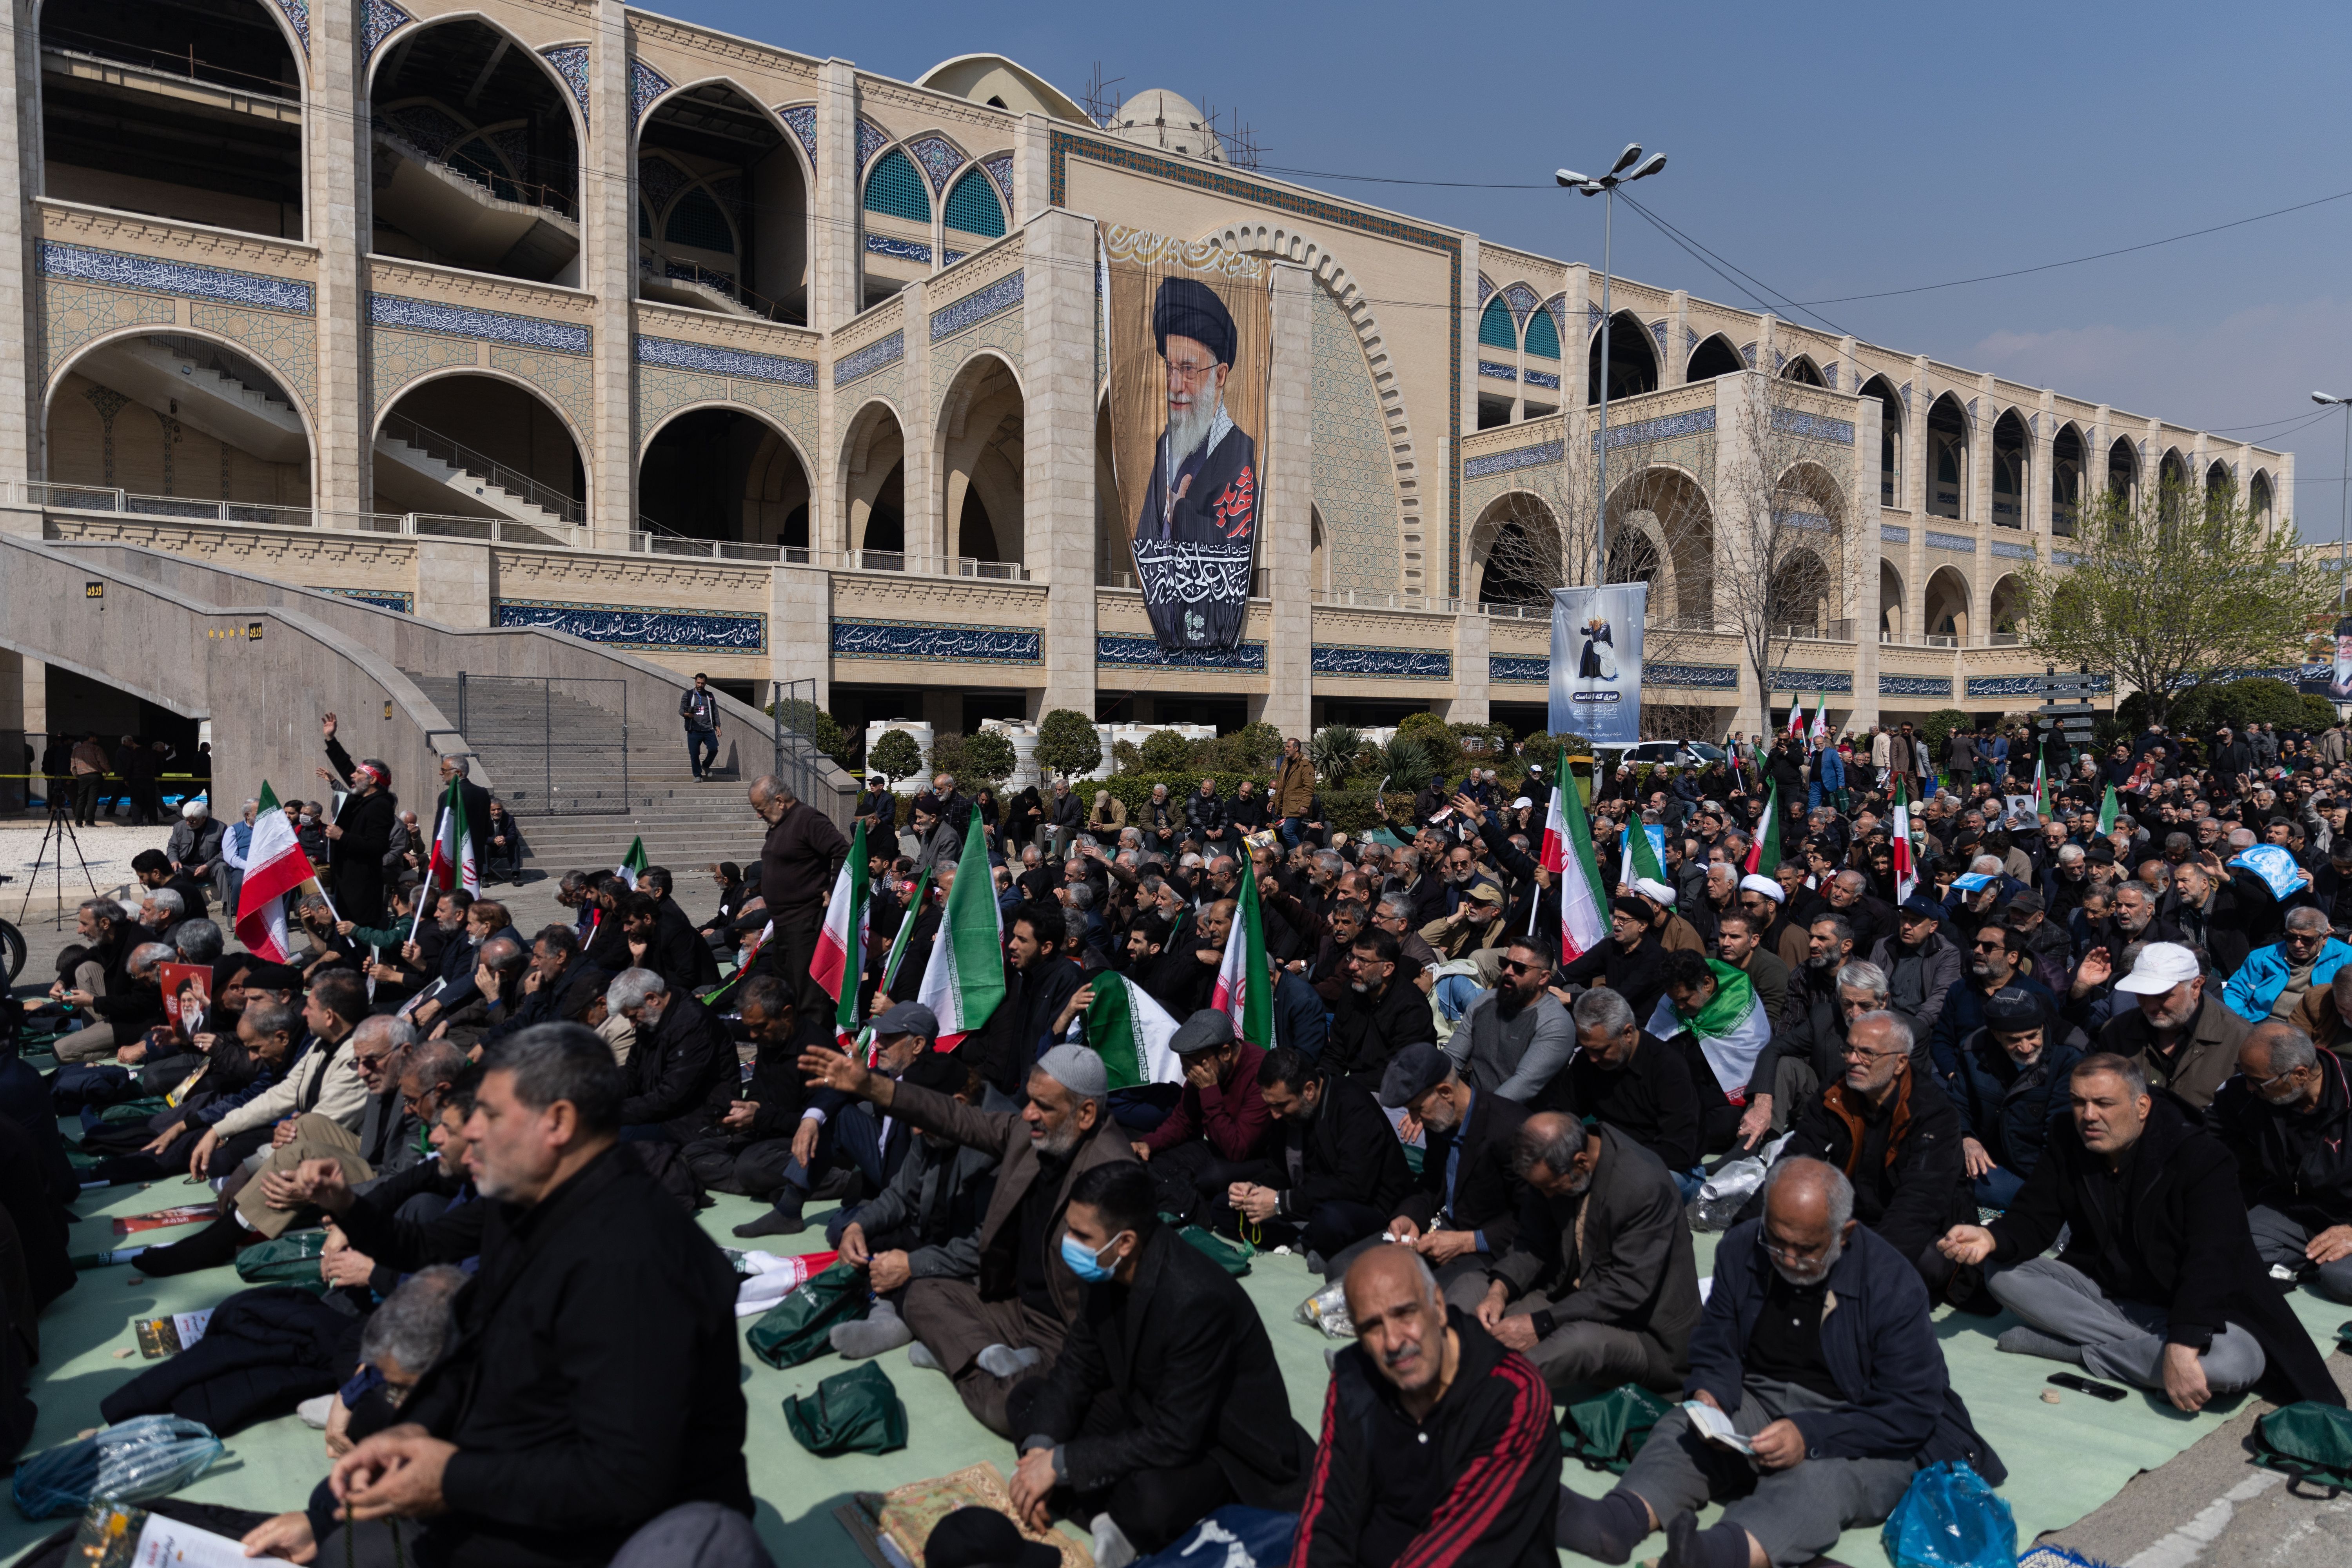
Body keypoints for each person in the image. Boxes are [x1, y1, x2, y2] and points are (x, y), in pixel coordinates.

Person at [238, 1024, 751, 1568]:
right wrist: (413, 1431)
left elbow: (622, 1478)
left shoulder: (637, 1261)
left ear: (557, 1123)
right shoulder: (527, 1202)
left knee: (347, 1545)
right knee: (336, 1496)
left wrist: (449, 1479)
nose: (465, 1132)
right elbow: (462, 1321)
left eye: (490, 1116)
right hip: (537, 1460)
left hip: (622, 1524)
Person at [1559, 1159, 2004, 1568]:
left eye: (1806, 1249)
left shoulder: (1891, 1283)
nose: (1789, 1260)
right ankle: (1618, 1520)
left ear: (1843, 1234)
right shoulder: (1743, 1246)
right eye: (1777, 1242)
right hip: (1764, 1398)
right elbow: (1718, 1341)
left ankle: (1718, 1553)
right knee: (1682, 1429)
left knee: (1821, 1478)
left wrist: (1811, 1435)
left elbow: (1910, 1410)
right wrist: (1709, 1395)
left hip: (1864, 1424)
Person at [1937, 1053, 2341, 1411]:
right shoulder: (2069, 1135)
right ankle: (2140, 1351)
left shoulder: (2200, 1156)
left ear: (2142, 1105)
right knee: (2003, 1270)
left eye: (2103, 1103)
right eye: (2079, 1102)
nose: (2089, 1115)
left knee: (2237, 1363)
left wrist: (2183, 1346)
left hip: (2194, 1306)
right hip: (2109, 1297)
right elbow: (2035, 1214)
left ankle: (2079, 1351)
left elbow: (2212, 1260)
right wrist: (1992, 1238)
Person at [799, 1041, 1135, 1436]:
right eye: (1028, 1101)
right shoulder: (1030, 1135)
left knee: (1013, 1411)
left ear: (1086, 1114)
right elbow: (954, 1118)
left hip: (1069, 1332)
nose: (1027, 1114)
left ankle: (960, 1355)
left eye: (1042, 1106)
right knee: (921, 1292)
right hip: (1015, 1307)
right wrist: (872, 1086)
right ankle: (986, 1354)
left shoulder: (1115, 1177)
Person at [1005, 1163, 1313, 1564]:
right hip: (1147, 1406)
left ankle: (1112, 1517)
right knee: (1029, 1403)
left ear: (1126, 1241)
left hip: (1221, 1444)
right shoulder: (1104, 1266)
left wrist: (1062, 1465)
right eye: (1070, 1229)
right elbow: (1076, 1365)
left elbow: (1176, 1435)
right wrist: (1041, 1454)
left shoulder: (1195, 1297)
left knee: (1154, 1499)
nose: (1069, 1243)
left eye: (1081, 1235)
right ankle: (1107, 1518)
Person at [1289, 1246, 1563, 1568]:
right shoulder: (1354, 1379)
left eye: (1404, 1314)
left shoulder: (1514, 1395)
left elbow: (1462, 1550)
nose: (1393, 1341)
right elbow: (1328, 1514)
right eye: (1372, 1327)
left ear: (1438, 1307)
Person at [1459, 1111, 1700, 1401]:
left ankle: (1477, 1398)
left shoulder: (1643, 1186)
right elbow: (1532, 1244)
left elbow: (1627, 1290)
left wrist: (1541, 1323)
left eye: (1550, 1188)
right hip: (1569, 1297)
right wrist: (1498, 1293)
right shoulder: (1551, 1171)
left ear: (1581, 1163)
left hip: (1641, 1330)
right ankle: (1442, 1359)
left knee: (1577, 1344)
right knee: (1474, 1287)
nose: (1545, 1197)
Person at [1768, 1011, 1972, 1287]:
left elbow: (1920, 1203)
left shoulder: (1934, 1114)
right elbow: (1794, 1161)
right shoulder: (1836, 1093)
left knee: (1928, 1262)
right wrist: (1747, 1230)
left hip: (1913, 1224)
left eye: (1867, 1054)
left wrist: (1867, 1271)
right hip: (1852, 1216)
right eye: (1849, 1049)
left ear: (1900, 1063)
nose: (1853, 1060)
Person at [826, 1048, 1000, 1361]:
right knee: (859, 1237)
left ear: (958, 1105)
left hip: (976, 1261)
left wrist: (910, 1266)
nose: (916, 1131)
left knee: (927, 1286)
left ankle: (901, 1319)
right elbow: (899, 1194)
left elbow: (984, 1248)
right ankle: (887, 1310)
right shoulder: (933, 1125)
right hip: (935, 1235)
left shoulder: (995, 1147)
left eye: (920, 1120)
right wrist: (858, 1227)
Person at [1222, 1046, 1412, 1270]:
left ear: (1309, 1090)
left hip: (1365, 1207)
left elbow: (1353, 1186)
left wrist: (1280, 1203)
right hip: (1308, 1201)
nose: (1274, 1115)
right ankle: (1304, 1240)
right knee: (1224, 1207)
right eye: (1270, 1106)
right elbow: (1279, 1171)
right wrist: (1254, 1189)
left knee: (1330, 1222)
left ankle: (1308, 1237)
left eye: (1281, 1105)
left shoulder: (1353, 1106)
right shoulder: (1288, 1112)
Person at [2207, 1022, 2352, 1303]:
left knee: (2342, 1280)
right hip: (2291, 1210)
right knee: (2224, 1249)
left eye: (2259, 1082)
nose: (2249, 1087)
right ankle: (2303, 1264)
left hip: (2348, 1219)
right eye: (2243, 1072)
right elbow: (2205, 1142)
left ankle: (2304, 1266)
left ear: (2300, 1075)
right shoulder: (2242, 1093)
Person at [1374, 1042, 1530, 1291]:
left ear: (1445, 1092)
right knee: (1359, 1270)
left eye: (1417, 1110)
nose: (1413, 1121)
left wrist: (1468, 1241)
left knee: (1416, 1297)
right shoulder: (1441, 1120)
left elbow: (1533, 1220)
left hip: (1490, 1251)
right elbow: (1432, 1181)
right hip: (1443, 1233)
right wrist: (1410, 1217)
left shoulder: (1511, 1131)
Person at [1945, 986, 2085, 1209]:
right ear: (1996, 1035)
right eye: (2014, 1040)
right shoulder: (1974, 1050)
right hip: (1992, 1158)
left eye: (2033, 1036)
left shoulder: (2069, 1055)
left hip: (2041, 1169)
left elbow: (2060, 1135)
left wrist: (2045, 1186)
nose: (2026, 1047)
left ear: (2042, 1026)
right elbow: (1957, 1103)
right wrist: (1966, 1138)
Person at [1133, 1009, 1272, 1225]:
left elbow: (1238, 1149)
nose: (1190, 1074)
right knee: (1158, 1161)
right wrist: (1149, 1144)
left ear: (1225, 1053)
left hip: (1257, 1157)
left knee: (1208, 1178)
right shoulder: (1205, 1071)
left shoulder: (1260, 1073)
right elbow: (1183, 1121)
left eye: (1193, 1067)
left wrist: (1209, 1090)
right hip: (1218, 1145)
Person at [1561, 987, 1702, 1181]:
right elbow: (1564, 1112)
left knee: (1631, 1188)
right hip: (1612, 1158)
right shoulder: (1588, 1061)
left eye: (1600, 1050)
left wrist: (1611, 1161)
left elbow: (1677, 1151)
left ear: (1627, 1033)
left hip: (1672, 1170)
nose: (1592, 1058)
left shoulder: (1668, 1068)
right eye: (1586, 1049)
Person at [2098, 940, 2250, 1109]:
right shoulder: (2116, 1031)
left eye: (2162, 996)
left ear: (2196, 986)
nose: (2150, 1007)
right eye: (2141, 995)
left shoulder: (2242, 1040)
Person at [749, 773, 848, 1017]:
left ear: (780, 801)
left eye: (761, 809)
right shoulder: (777, 826)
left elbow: (843, 851)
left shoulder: (808, 819)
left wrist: (832, 888)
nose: (759, 816)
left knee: (808, 996)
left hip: (805, 922)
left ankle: (815, 1046)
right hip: (782, 923)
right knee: (787, 991)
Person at [1442, 934, 1572, 1106]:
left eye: (1519, 968)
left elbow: (1522, 1086)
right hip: (1474, 1103)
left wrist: (1472, 1114)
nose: (1508, 972)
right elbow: (1453, 1058)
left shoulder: (1555, 1023)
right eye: (1505, 964)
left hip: (1522, 1119)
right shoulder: (1485, 1001)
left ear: (1543, 977)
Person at [317, 715, 399, 927]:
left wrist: (342, 836)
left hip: (362, 882)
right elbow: (346, 768)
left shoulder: (380, 805)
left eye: (359, 773)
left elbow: (378, 846)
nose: (353, 775)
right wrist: (330, 739)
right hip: (345, 876)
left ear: (372, 780)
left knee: (357, 929)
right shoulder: (361, 796)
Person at [1324, 928, 1436, 1080]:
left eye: (1362, 961)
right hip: (1353, 1084)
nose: (1352, 966)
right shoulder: (1352, 991)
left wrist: (1347, 1088)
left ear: (1387, 969)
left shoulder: (1411, 1007)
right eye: (1352, 957)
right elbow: (1336, 1052)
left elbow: (1401, 1072)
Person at [1274, 735, 1316, 849]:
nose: (1286, 749)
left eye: (1288, 747)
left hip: (1297, 806)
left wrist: (1305, 804)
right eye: (1286, 747)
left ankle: (1300, 855)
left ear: (1296, 749)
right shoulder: (1286, 763)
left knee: (1287, 832)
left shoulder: (1306, 764)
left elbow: (1310, 787)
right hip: (1288, 806)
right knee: (1296, 833)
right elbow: (1280, 784)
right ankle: (1303, 859)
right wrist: (1273, 800)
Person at [679, 672, 722, 780]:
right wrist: (687, 715)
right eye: (698, 683)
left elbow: (715, 711)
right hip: (694, 729)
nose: (700, 685)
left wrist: (718, 726)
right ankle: (698, 775)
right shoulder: (689, 695)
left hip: (708, 729)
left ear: (706, 684)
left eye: (702, 683)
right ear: (695, 682)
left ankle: (706, 765)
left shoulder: (710, 696)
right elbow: (681, 710)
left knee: (714, 749)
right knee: (694, 754)